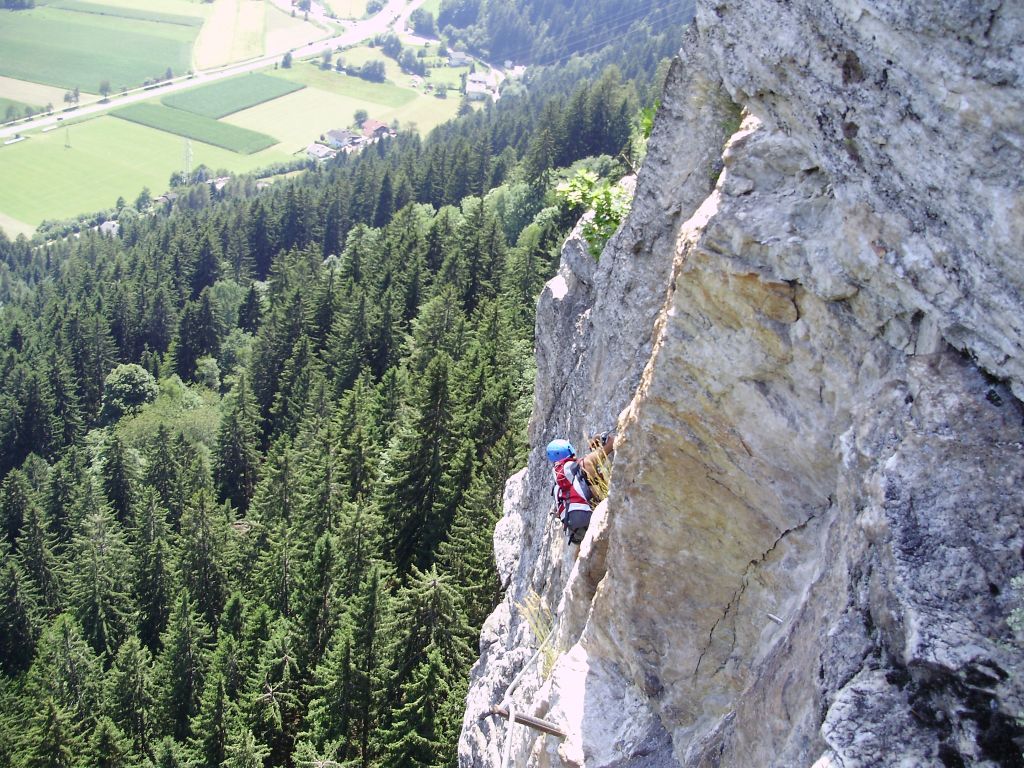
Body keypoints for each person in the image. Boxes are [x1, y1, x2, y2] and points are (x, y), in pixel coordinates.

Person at [546, 432, 616, 544]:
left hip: (575, 533)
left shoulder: (557, 486)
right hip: (591, 517)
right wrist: (599, 437)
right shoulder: (582, 464)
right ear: (569, 450)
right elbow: (612, 442)